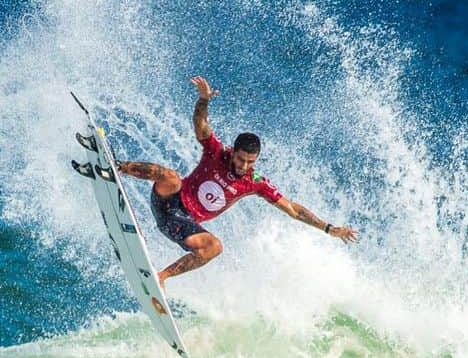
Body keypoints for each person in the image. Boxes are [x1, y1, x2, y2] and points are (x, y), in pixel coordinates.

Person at [117, 76, 358, 287]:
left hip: (182, 224)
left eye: (250, 162)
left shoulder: (256, 183)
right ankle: (116, 167)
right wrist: (204, 100)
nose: (244, 166)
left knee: (214, 247)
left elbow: (293, 209)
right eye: (241, 159)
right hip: (166, 201)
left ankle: (161, 277)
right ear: (233, 152)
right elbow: (200, 125)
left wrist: (328, 228)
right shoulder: (216, 153)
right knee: (171, 176)